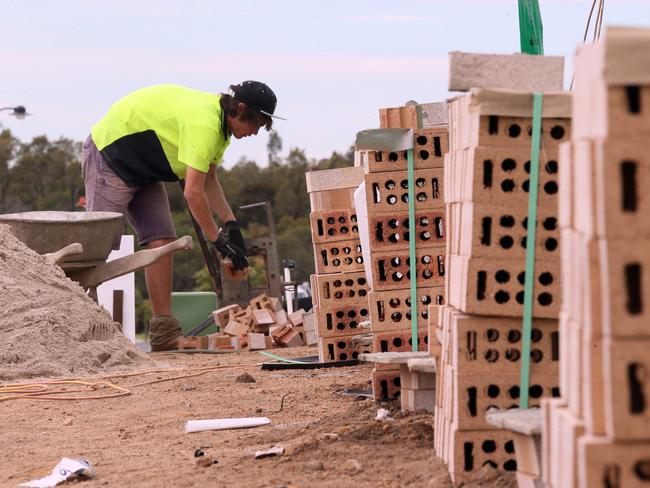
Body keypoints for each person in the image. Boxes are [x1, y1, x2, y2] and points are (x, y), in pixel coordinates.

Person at [81, 81, 283, 351]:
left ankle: (164, 334)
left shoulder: (222, 130)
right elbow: (193, 194)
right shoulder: (206, 125)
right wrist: (218, 242)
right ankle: (72, 326)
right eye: (256, 123)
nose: (256, 132)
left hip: (145, 168)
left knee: (162, 242)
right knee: (98, 247)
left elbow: (209, 179)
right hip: (110, 156)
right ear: (241, 109)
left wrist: (231, 225)